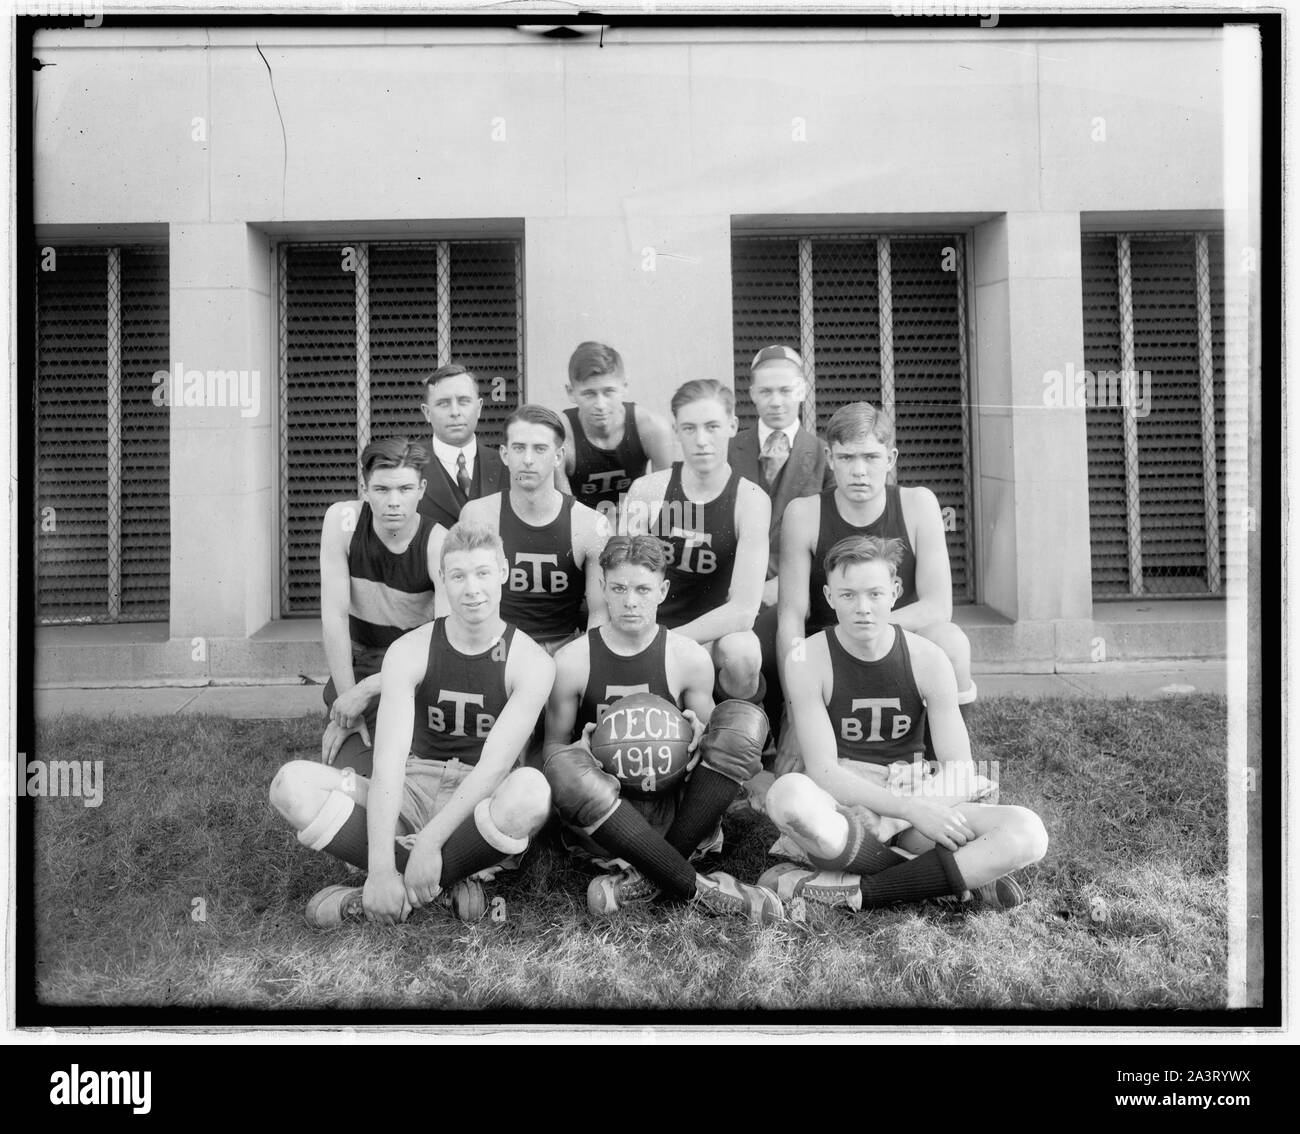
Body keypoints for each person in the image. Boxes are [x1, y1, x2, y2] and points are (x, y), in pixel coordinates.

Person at [268, 522, 555, 928]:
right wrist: (382, 868)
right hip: (410, 788)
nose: (472, 589)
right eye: (458, 576)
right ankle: (434, 881)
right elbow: (387, 761)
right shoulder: (409, 650)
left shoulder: (532, 662)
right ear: (442, 579)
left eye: (483, 573)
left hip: (478, 802)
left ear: (504, 572)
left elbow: (493, 768)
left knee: (532, 792)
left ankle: (382, 892)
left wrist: (432, 841)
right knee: (290, 784)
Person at [759, 535, 1048, 914]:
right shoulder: (806, 658)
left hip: (915, 792)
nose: (863, 608)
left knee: (1028, 833)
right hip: (845, 803)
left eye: (874, 594)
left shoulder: (928, 658)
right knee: (787, 796)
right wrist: (897, 813)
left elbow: (959, 769)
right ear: (829, 597)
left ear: (895, 592)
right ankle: (945, 879)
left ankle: (857, 890)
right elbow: (824, 769)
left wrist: (900, 816)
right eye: (848, 595)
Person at [542, 534, 784, 924]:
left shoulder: (686, 656)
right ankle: (696, 885)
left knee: (741, 721)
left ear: (662, 590)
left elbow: (717, 744)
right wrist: (580, 750)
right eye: (618, 588)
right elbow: (552, 747)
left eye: (642, 589)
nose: (630, 601)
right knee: (563, 768)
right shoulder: (572, 660)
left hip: (675, 805)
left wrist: (699, 733)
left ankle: (651, 874)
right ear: (602, 588)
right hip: (610, 813)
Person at [775, 401, 977, 770]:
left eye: (871, 457)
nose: (859, 471)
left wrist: (871, 631)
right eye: (847, 457)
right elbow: (791, 615)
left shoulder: (918, 504)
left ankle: (949, 762)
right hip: (829, 646)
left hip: (899, 640)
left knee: (952, 641)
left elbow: (936, 607)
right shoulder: (804, 514)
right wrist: (792, 709)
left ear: (891, 457)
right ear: (829, 458)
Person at [621, 380, 769, 705]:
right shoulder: (646, 492)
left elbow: (744, 611)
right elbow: (625, 582)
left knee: (743, 651)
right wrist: (649, 641)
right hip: (650, 629)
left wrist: (673, 642)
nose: (701, 440)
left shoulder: (751, 500)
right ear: (675, 430)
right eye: (689, 428)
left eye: (712, 427)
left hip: (715, 634)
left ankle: (739, 735)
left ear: (732, 425)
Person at [318, 437, 442, 773]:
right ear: (365, 488)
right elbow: (334, 616)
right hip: (359, 663)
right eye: (382, 489)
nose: (393, 501)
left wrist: (371, 689)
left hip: (416, 669)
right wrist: (348, 702)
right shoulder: (342, 522)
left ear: (421, 488)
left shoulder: (437, 542)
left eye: (404, 489)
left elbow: (444, 638)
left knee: (408, 764)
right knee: (353, 770)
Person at [730, 344, 835, 742]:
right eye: (766, 391)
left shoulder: (824, 456)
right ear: (752, 394)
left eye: (786, 390)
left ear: (803, 391)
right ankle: (745, 738)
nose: (776, 401)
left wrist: (784, 586)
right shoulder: (728, 450)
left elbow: (833, 538)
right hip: (737, 587)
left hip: (798, 589)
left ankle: (789, 732)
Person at [457, 404, 610, 655]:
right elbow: (466, 600)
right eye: (519, 448)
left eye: (540, 449)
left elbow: (600, 616)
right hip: (496, 646)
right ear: (505, 455)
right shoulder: (478, 516)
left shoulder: (590, 524)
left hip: (565, 648)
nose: (528, 460)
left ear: (558, 457)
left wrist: (580, 665)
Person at [558, 341, 676, 521]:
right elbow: (563, 515)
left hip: (636, 523)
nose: (600, 404)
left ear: (624, 388)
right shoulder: (559, 435)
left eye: (609, 392)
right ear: (571, 392)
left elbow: (663, 505)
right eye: (589, 394)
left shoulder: (653, 428)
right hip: (579, 528)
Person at [416, 363, 507, 530]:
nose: (455, 412)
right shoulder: (410, 466)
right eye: (443, 403)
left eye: (464, 401)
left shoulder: (506, 466)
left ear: (479, 408)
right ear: (427, 413)